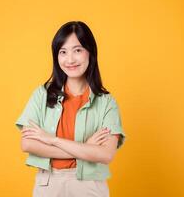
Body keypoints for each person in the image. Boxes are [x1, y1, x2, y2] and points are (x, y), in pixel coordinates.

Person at [15, 21, 126, 197]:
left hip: (89, 186)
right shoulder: (41, 95)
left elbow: (106, 154)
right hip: (48, 184)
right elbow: (28, 144)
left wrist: (52, 140)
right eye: (63, 52)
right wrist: (85, 149)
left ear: (90, 52)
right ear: (56, 56)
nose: (70, 59)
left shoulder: (106, 102)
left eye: (77, 50)